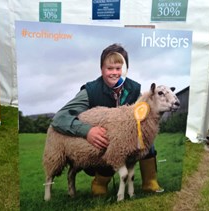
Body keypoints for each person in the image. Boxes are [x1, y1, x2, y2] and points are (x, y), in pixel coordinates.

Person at [51, 43, 164, 196]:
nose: (114, 73)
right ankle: (100, 183)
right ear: (101, 69)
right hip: (99, 144)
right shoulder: (90, 92)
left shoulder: (135, 89)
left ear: (126, 69)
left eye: (119, 68)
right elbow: (60, 118)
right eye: (109, 68)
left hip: (123, 140)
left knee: (143, 134)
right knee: (108, 146)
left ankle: (150, 181)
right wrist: (87, 130)